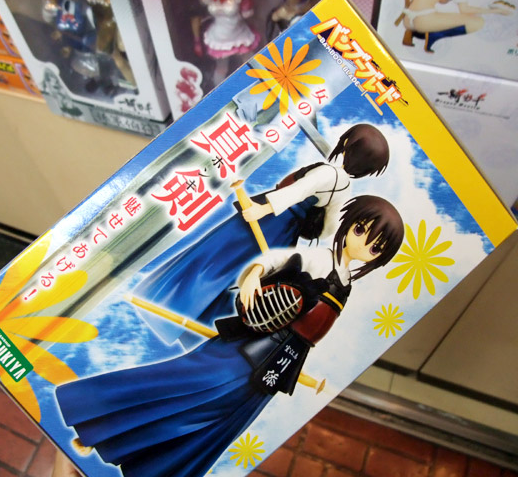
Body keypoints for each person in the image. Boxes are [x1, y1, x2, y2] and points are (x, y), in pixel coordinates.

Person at [55, 195, 404, 477]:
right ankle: (92, 420)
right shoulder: (319, 258)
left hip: (284, 360)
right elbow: (277, 260)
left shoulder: (347, 282)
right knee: (186, 382)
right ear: (348, 223)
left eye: (375, 247)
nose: (364, 243)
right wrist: (252, 277)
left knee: (223, 418)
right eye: (362, 230)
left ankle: (149, 466)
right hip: (255, 341)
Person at [132, 123, 390, 345]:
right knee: (232, 274)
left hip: (268, 220)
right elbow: (330, 228)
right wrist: (304, 222)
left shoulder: (330, 174)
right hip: (284, 232)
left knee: (216, 258)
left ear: (346, 144)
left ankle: (161, 307)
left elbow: (296, 192)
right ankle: (189, 332)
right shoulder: (344, 188)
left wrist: (263, 209)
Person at [399, 0, 513, 52]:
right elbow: (465, 10)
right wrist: (495, 11)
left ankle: (411, 33)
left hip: (407, 20)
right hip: (423, 20)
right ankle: (434, 36)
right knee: (478, 22)